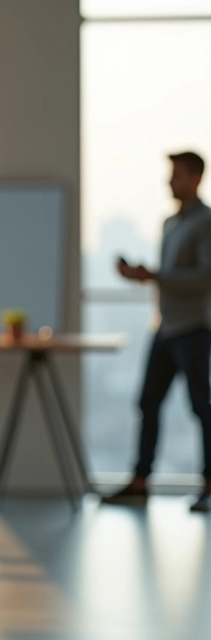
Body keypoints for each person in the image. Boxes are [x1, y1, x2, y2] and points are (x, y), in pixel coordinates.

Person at [104, 151, 211, 513]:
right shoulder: (169, 223)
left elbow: (204, 277)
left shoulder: (206, 222)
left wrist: (155, 276)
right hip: (165, 328)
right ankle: (139, 482)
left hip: (193, 328)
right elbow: (170, 275)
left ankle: (209, 484)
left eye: (177, 175)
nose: (170, 182)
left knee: (201, 407)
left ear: (196, 178)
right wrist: (143, 276)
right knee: (148, 402)